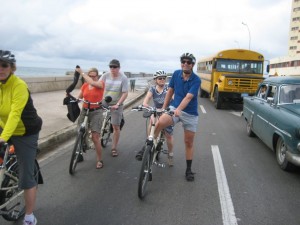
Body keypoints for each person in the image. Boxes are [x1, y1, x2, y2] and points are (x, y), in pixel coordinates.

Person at [0, 50, 43, 225]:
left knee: (26, 178)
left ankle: (29, 217)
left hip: (26, 132)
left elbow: (15, 114)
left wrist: (3, 138)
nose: (0, 69)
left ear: (12, 68)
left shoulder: (19, 86)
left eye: (4, 65)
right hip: (5, 129)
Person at [154, 53, 201, 181]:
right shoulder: (176, 74)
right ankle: (150, 146)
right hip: (174, 108)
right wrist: (164, 108)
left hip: (190, 113)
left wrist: (179, 109)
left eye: (188, 62)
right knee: (160, 122)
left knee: (188, 142)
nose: (185, 63)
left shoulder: (196, 80)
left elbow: (189, 97)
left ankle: (188, 170)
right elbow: (170, 92)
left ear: (192, 65)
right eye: (183, 61)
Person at [135, 70, 174, 166]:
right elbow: (145, 101)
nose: (162, 80)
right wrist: (148, 107)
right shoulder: (152, 89)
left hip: (167, 112)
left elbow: (174, 98)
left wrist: (170, 107)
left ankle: (170, 154)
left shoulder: (168, 88)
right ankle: (149, 143)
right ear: (155, 80)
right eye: (159, 78)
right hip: (156, 111)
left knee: (168, 136)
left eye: (164, 78)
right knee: (151, 123)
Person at [75, 67, 105, 169]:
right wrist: (71, 99)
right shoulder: (84, 86)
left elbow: (92, 83)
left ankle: (99, 159)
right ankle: (80, 150)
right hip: (85, 110)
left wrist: (82, 73)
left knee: (95, 137)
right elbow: (79, 98)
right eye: (90, 76)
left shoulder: (100, 84)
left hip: (96, 111)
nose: (92, 78)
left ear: (97, 76)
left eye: (94, 76)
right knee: (79, 131)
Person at [100, 59, 128, 157]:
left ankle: (114, 148)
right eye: (111, 67)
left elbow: (125, 93)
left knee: (116, 127)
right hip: (105, 101)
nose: (112, 69)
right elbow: (98, 87)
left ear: (119, 68)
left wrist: (118, 104)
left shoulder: (123, 78)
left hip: (117, 103)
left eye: (115, 67)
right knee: (94, 115)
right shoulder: (105, 76)